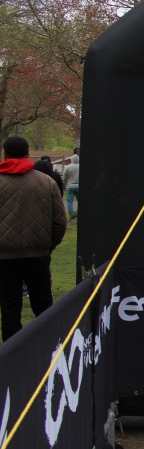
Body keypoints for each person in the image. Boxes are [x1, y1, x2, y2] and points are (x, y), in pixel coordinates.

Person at [0, 137, 67, 342]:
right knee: (43, 305)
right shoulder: (46, 182)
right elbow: (59, 221)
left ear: (5, 154)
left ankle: (12, 350)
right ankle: (49, 345)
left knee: (9, 307)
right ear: (28, 154)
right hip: (37, 254)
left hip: (5, 256)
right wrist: (48, 245)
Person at [63, 153, 80, 218]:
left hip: (70, 186)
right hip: (78, 186)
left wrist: (64, 183)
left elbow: (64, 177)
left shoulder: (67, 167)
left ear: (71, 159)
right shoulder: (80, 166)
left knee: (69, 202)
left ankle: (71, 215)